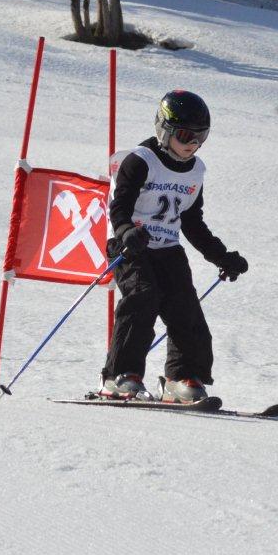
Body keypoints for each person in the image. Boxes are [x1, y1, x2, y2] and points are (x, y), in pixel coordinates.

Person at [98, 90, 249, 403]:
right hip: (130, 246)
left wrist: (221, 256)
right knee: (143, 297)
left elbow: (192, 222)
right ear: (164, 130)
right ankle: (119, 376)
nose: (192, 144)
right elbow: (119, 206)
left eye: (200, 136)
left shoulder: (195, 170)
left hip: (167, 246)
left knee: (185, 307)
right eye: (184, 136)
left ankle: (181, 378)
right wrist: (126, 232)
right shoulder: (140, 161)